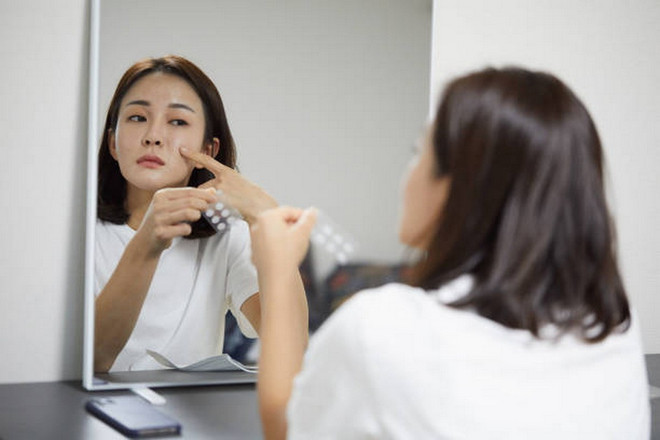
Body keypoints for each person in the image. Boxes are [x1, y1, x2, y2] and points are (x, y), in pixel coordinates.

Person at [249, 67, 650, 438]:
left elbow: (286, 427)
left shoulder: (381, 330)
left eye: (417, 151)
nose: (408, 173)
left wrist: (277, 271)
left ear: (456, 186)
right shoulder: (612, 326)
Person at [94, 55, 283, 372]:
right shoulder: (76, 231)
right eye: (137, 117)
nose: (153, 136)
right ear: (113, 142)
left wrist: (270, 222)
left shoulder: (228, 236)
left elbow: (289, 345)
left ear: (207, 150)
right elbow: (93, 360)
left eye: (177, 121)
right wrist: (147, 243)